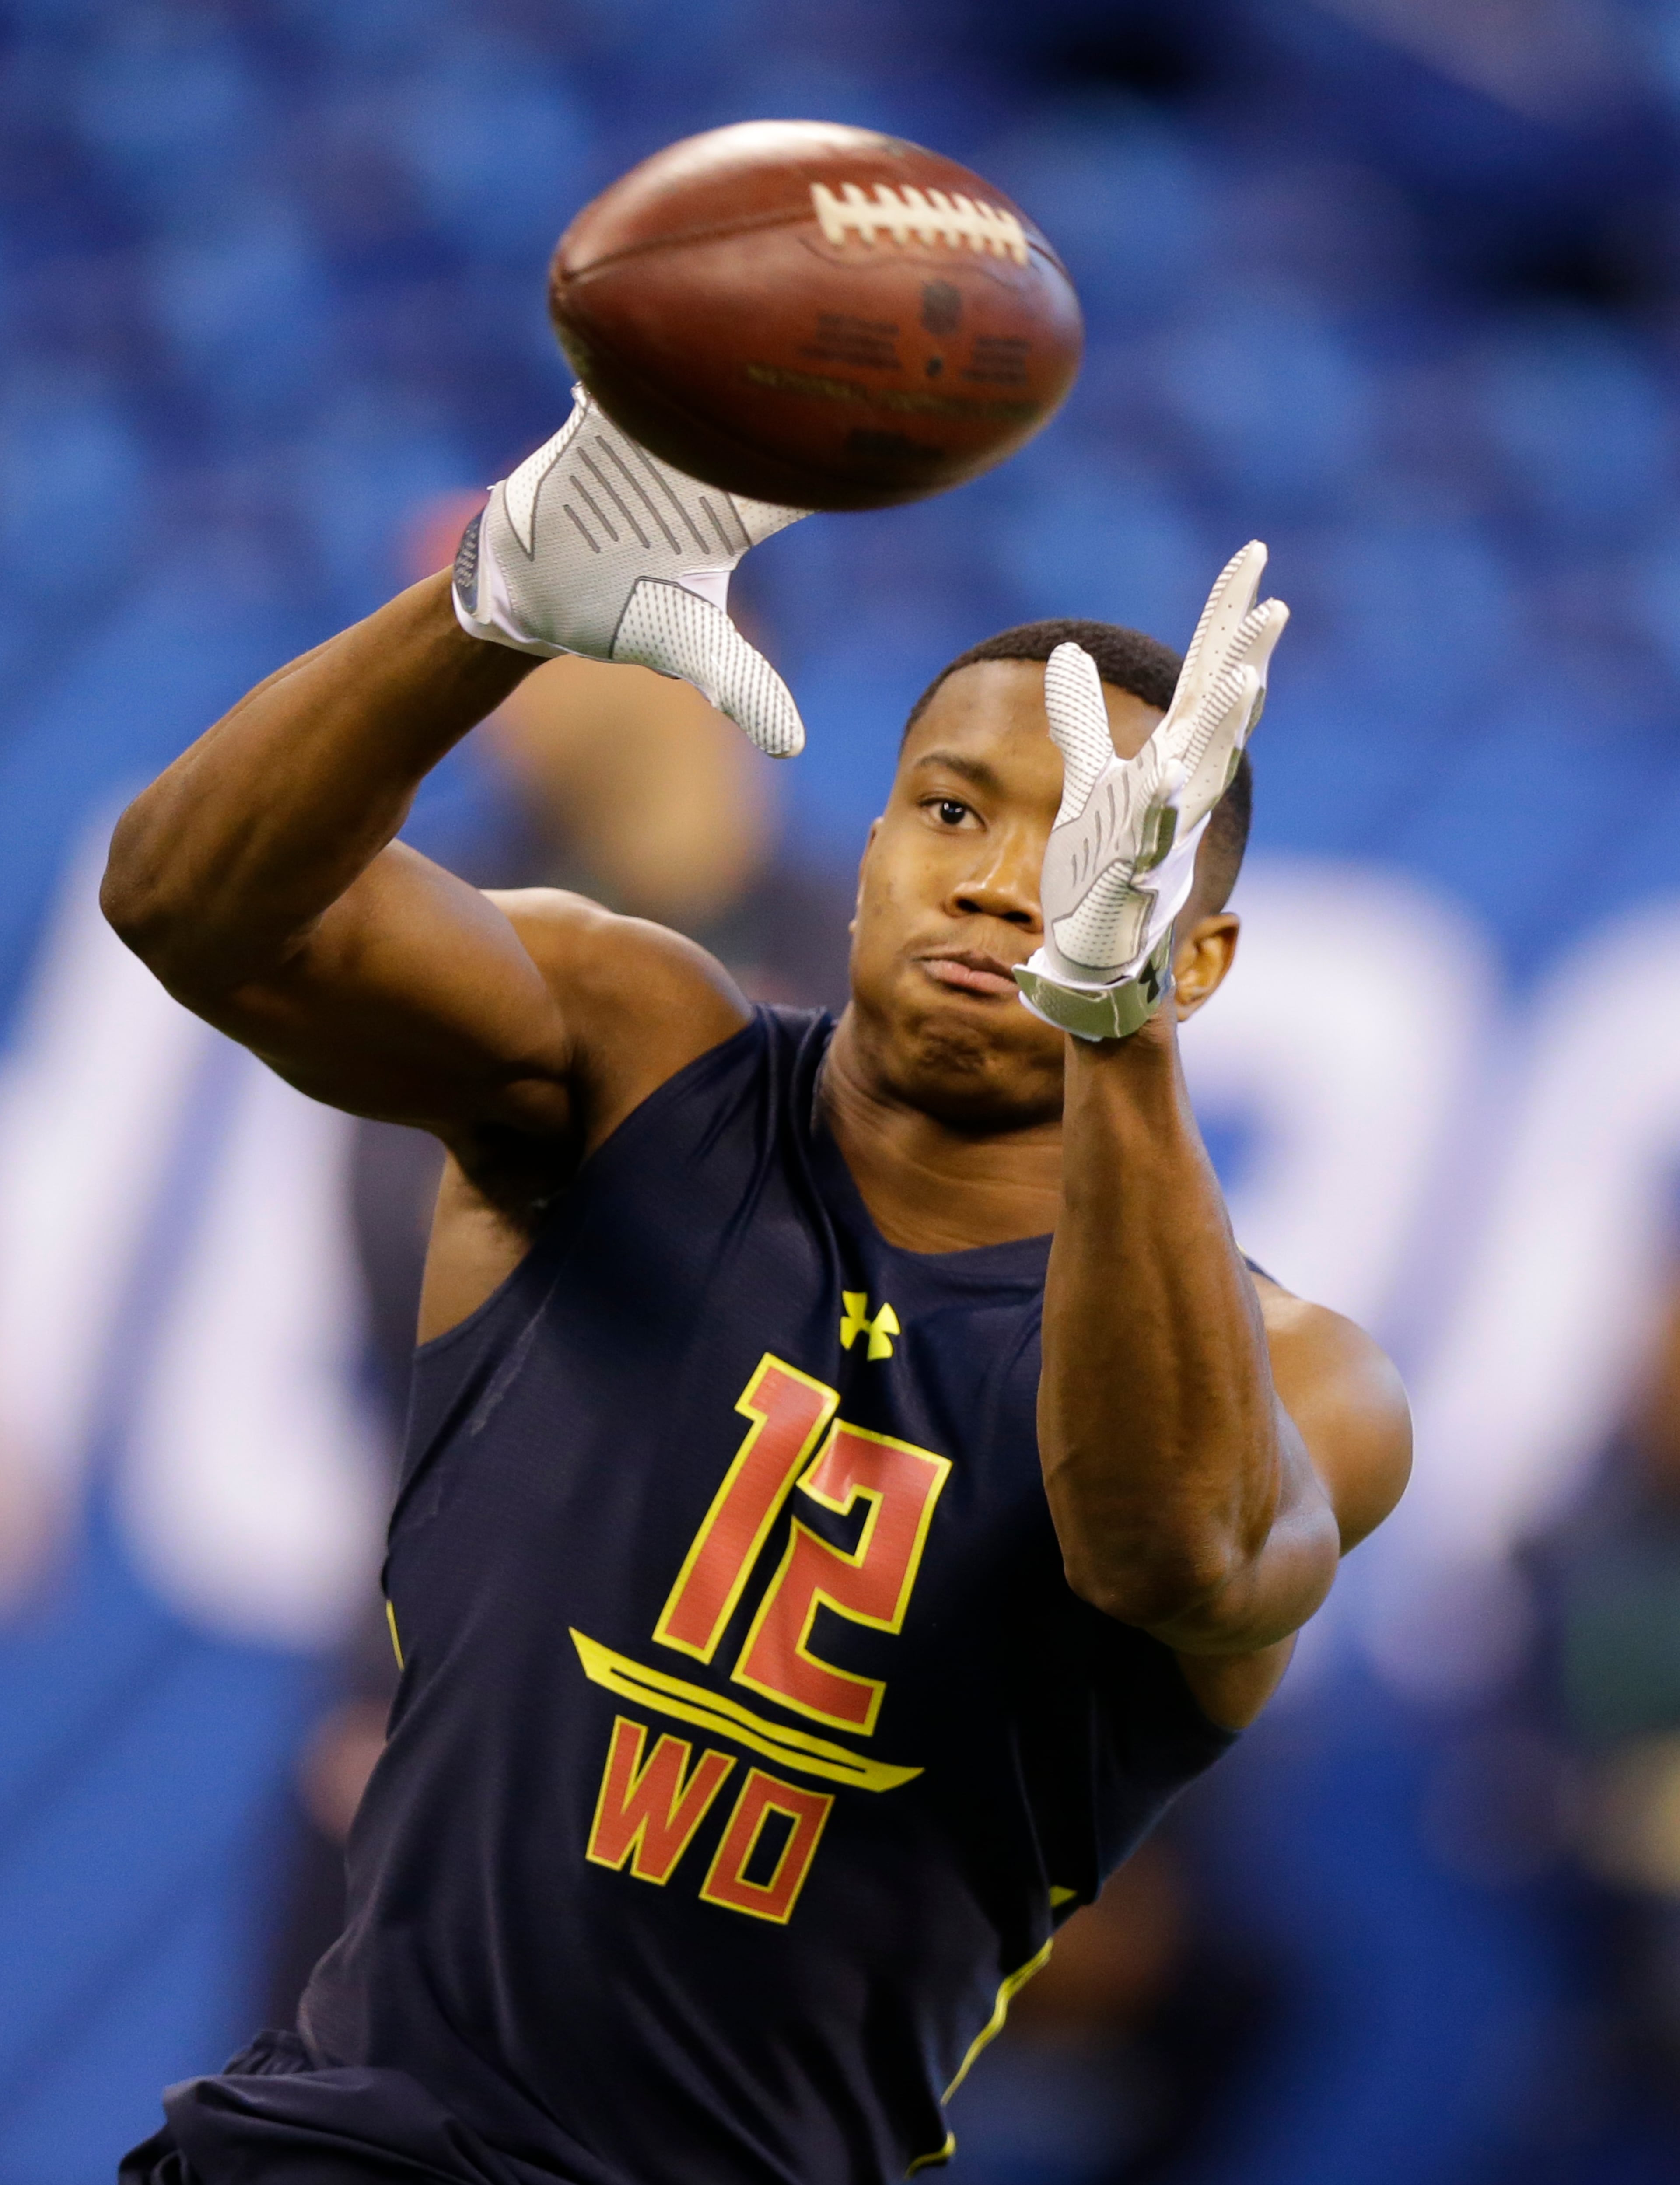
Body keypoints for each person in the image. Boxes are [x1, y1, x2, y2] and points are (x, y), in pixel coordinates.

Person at [105, 392, 1410, 2185]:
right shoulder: (635, 1051)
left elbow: (1171, 1544)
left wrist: (1110, 1034)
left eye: (1105, 861)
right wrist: (484, 603)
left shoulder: (1303, 1375)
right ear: (867, 853)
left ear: (1204, 958)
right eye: (954, 811)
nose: (1010, 885)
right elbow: (196, 910)